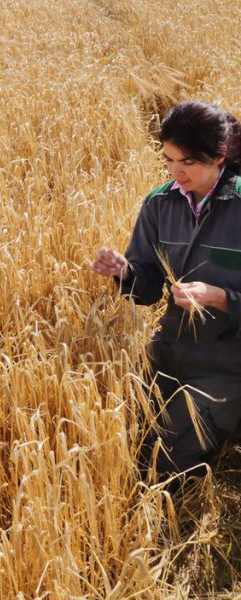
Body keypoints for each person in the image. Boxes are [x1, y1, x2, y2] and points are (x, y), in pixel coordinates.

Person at [91, 100, 241, 489]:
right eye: (169, 160)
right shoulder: (159, 203)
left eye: (188, 162)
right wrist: (125, 271)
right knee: (114, 436)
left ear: (219, 156)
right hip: (171, 350)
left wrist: (220, 296)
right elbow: (146, 288)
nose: (176, 171)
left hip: (229, 361)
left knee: (166, 463)